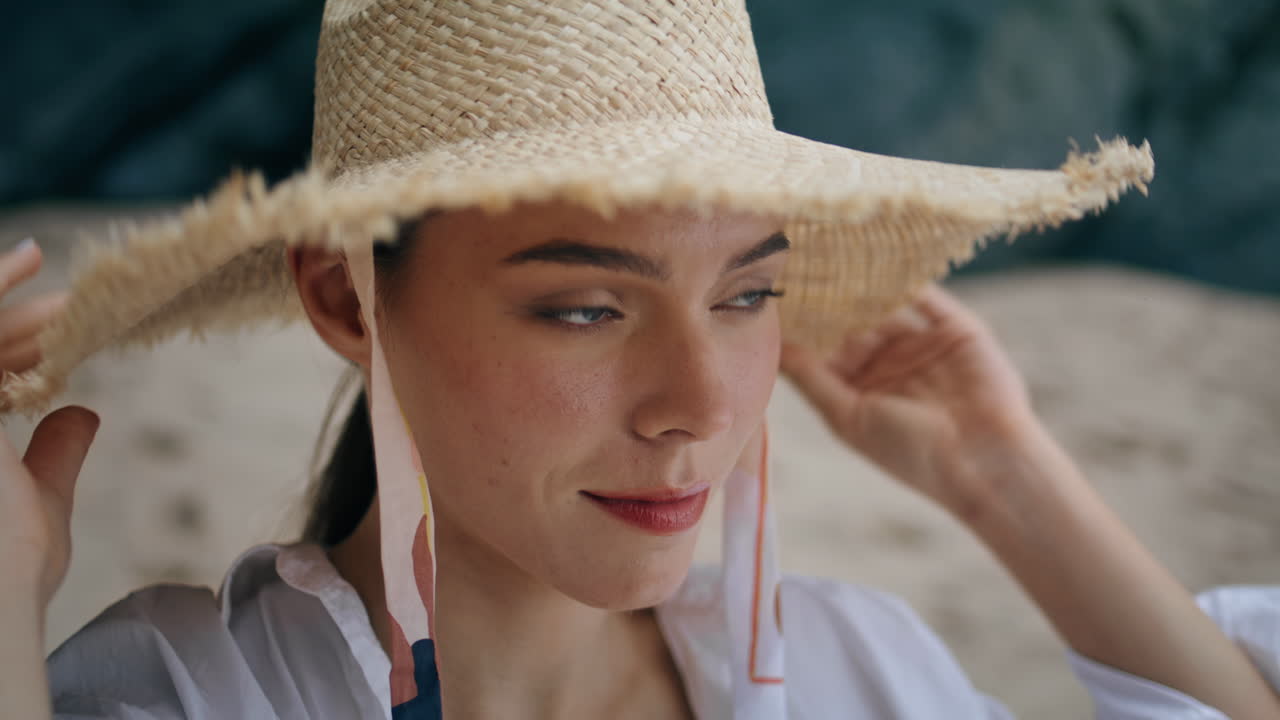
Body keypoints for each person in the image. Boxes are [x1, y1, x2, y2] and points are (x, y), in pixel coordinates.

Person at [1, 1, 1277, 718]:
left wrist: (1003, 476)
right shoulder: (195, 694)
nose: (698, 408)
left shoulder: (842, 671)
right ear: (348, 298)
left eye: (748, 294)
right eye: (584, 310)